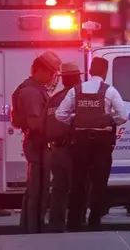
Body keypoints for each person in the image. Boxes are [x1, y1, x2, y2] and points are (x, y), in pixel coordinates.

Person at [55, 57, 128, 231]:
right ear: (105, 72)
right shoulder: (110, 91)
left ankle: (73, 222)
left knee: (78, 182)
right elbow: (123, 116)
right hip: (102, 142)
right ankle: (94, 221)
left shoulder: (75, 90)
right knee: (99, 182)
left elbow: (60, 114)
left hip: (80, 142)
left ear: (89, 71)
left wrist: (75, 119)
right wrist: (109, 119)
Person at [12, 50, 61, 234]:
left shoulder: (35, 89)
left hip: (38, 144)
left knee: (38, 188)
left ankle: (32, 227)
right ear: (39, 70)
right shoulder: (31, 92)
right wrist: (57, 128)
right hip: (38, 145)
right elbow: (35, 123)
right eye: (51, 72)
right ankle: (34, 230)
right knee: (37, 189)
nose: (53, 77)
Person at [44, 61, 82, 233]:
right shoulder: (77, 97)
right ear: (77, 78)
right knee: (77, 188)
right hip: (72, 150)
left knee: (59, 190)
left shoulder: (54, 98)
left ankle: (56, 226)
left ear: (64, 79)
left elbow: (45, 126)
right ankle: (76, 225)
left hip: (55, 150)